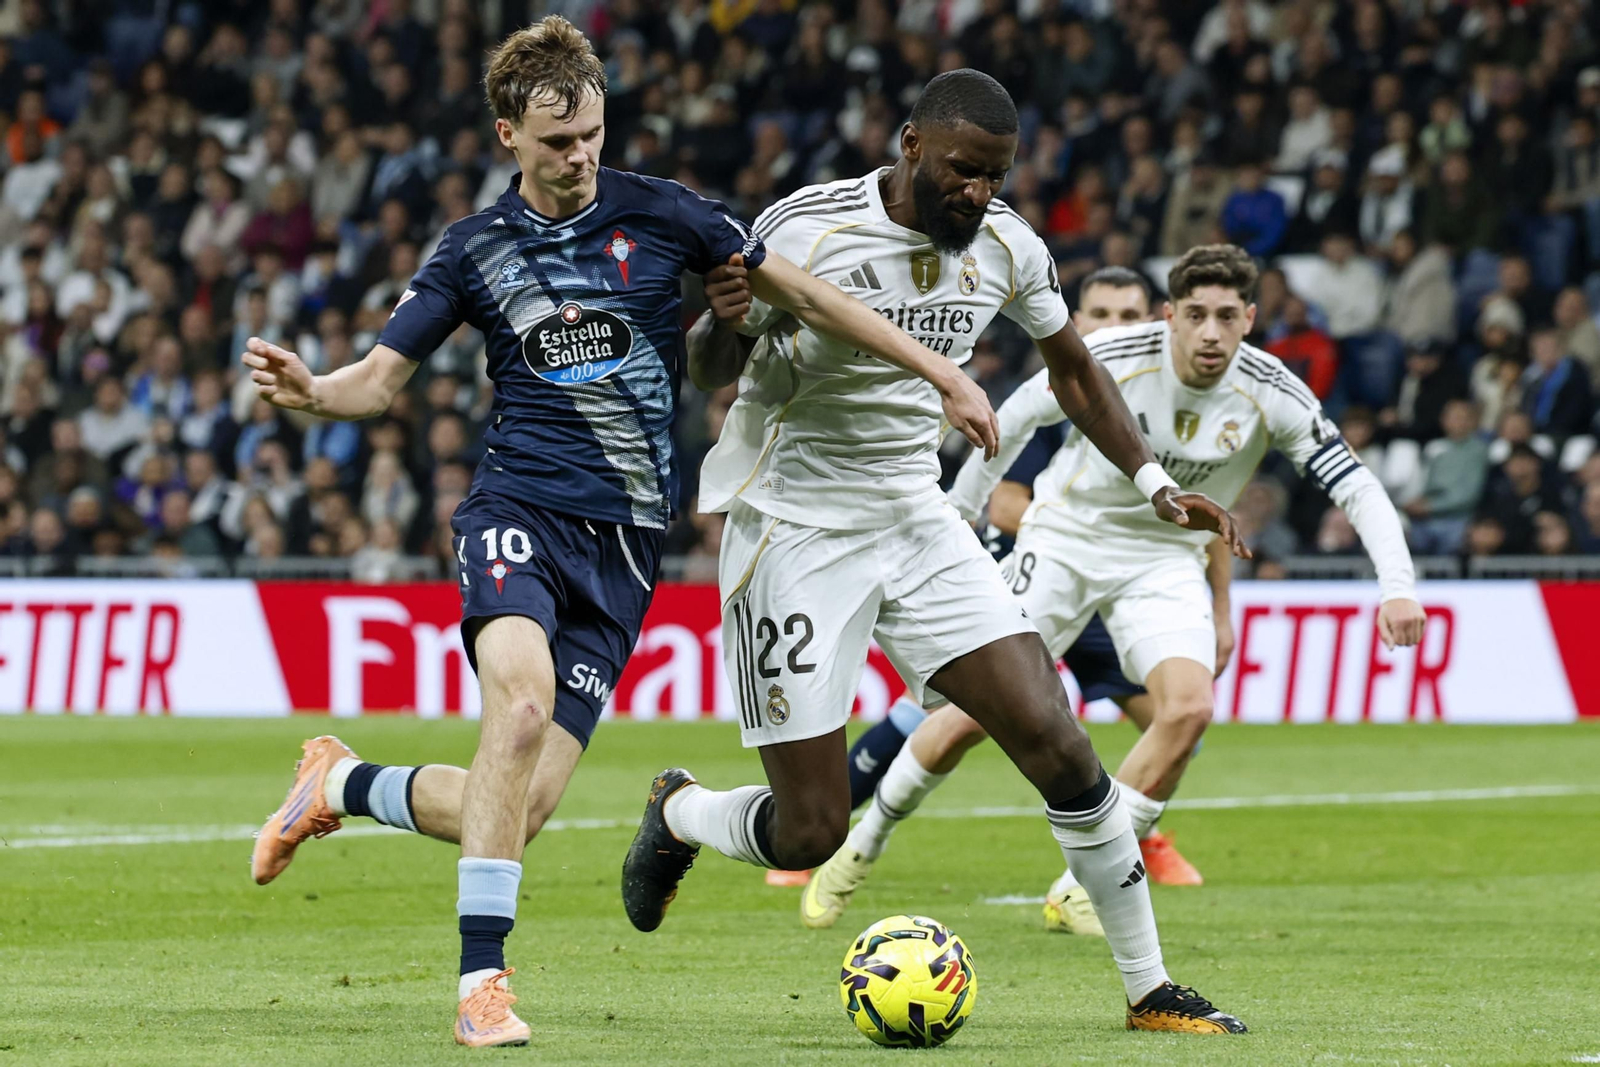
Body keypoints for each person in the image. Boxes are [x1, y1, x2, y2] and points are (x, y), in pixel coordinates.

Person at [240, 18, 1000, 1050]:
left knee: (515, 807)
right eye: (557, 141)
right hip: (518, 511)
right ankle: (482, 984)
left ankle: (337, 782)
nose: (580, 156)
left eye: (593, 134)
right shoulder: (473, 249)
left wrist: (942, 369)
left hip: (627, 544)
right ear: (509, 134)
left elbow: (810, 296)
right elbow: (375, 383)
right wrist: (313, 390)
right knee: (518, 710)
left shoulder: (665, 213)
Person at [620, 71, 1251, 1036]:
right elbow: (710, 368)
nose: (978, 192)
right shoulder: (809, 229)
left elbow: (1075, 369)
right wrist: (728, 319)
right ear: (911, 144)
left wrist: (1155, 483)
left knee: (1057, 738)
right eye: (962, 170)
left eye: (996, 175)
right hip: (793, 530)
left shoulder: (1009, 246)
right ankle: (681, 811)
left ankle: (1148, 987)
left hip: (917, 520)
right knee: (809, 828)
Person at [800, 245, 1427, 941]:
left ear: (1250, 319)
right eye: (1196, 315)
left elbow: (1357, 485)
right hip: (1065, 539)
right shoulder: (1114, 355)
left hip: (1165, 560)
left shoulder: (1273, 390)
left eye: (1227, 316)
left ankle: (1079, 888)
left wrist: (1398, 588)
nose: (1211, 333)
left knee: (1188, 710)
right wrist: (960, 511)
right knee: (975, 714)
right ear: (1170, 316)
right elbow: (1013, 415)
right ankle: (863, 844)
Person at [838, 266, 1235, 908]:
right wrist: (1082, 535)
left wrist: (1217, 605)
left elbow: (1199, 514)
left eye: (1127, 317)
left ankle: (1139, 840)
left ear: (1151, 322)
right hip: (1044, 568)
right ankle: (832, 827)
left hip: (1134, 582)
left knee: (1179, 721)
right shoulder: (1059, 402)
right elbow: (1004, 504)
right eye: (1100, 316)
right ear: (1076, 323)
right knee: (947, 714)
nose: (1112, 328)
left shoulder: (1165, 398)